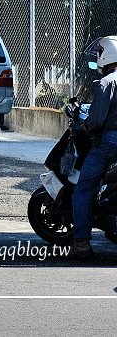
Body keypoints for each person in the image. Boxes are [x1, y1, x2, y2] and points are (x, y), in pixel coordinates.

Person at [71, 35, 117, 260]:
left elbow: (97, 120)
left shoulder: (107, 82)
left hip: (110, 142)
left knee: (84, 188)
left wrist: (83, 127)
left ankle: (81, 243)